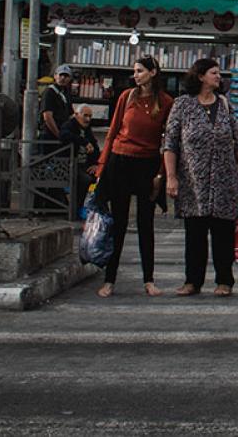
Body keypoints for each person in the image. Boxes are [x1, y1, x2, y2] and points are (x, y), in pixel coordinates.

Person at [163, 58, 238, 297]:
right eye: (213, 72)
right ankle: (193, 281)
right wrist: (171, 177)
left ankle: (224, 280)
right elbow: (170, 144)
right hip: (193, 181)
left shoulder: (224, 104)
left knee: (223, 233)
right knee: (195, 234)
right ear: (200, 76)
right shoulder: (182, 105)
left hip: (224, 180)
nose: (218, 77)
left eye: (218, 73)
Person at [93, 57, 173, 298]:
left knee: (145, 224)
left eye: (140, 71)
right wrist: (101, 167)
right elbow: (113, 131)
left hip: (147, 164)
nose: (136, 75)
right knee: (118, 223)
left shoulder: (166, 102)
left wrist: (161, 173)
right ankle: (110, 280)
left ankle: (148, 279)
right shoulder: (127, 97)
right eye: (134, 71)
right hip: (120, 160)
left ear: (152, 72)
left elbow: (168, 141)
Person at [59, 104, 99, 216]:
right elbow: (64, 135)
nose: (88, 119)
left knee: (103, 176)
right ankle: (78, 208)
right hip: (70, 163)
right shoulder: (69, 125)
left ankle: (97, 208)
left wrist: (96, 164)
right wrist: (83, 142)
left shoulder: (87, 129)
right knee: (85, 179)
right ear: (77, 115)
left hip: (85, 164)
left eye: (90, 116)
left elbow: (95, 147)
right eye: (85, 115)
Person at [40, 65, 74, 140]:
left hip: (62, 131)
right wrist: (58, 134)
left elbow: (71, 114)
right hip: (50, 135)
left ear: (70, 78)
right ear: (55, 76)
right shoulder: (50, 92)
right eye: (61, 75)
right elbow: (47, 116)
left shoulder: (66, 92)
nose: (63, 78)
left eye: (66, 76)